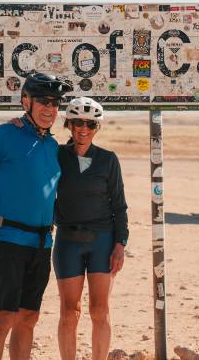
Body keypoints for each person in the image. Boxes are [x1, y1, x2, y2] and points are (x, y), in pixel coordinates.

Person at [0, 72, 72, 360]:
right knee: (4, 318)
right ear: (26, 101)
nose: (50, 109)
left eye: (55, 103)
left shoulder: (51, 146)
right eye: (43, 101)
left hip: (42, 244)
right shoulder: (4, 135)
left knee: (29, 317)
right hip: (8, 240)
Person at [53, 97, 128, 360]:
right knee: (69, 311)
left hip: (102, 241)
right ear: (68, 125)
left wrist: (120, 245)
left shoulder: (108, 160)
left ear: (97, 128)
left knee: (99, 310)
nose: (83, 129)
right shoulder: (56, 154)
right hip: (67, 241)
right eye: (77, 123)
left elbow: (119, 205)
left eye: (90, 124)